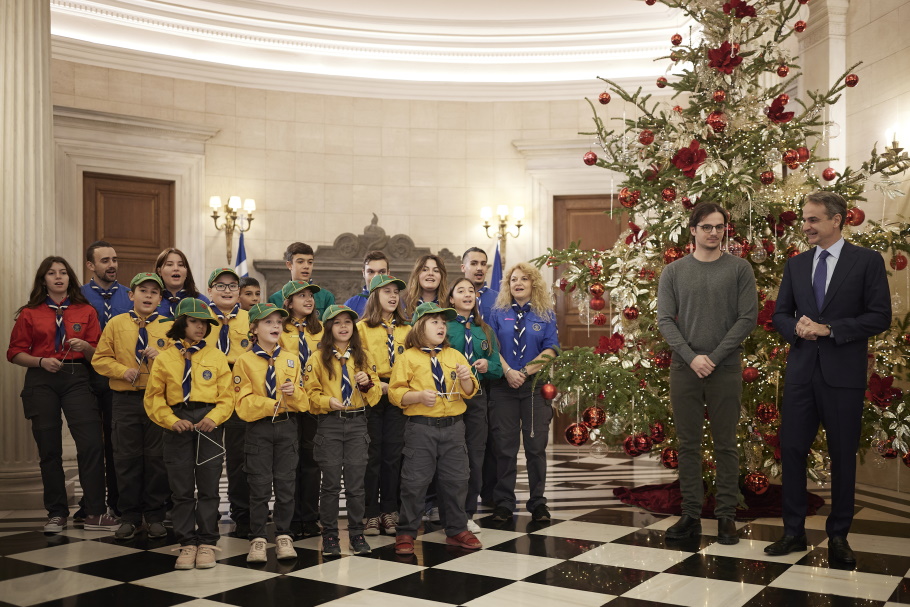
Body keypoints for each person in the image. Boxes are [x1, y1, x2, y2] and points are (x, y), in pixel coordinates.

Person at [768, 191, 891, 564]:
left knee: (841, 455)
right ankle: (793, 533)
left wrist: (829, 329)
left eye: (813, 220)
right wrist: (797, 329)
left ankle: (839, 535)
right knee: (791, 450)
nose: (805, 226)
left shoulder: (866, 261)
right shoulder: (796, 265)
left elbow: (879, 316)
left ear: (837, 220)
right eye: (804, 220)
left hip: (844, 377)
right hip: (802, 374)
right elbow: (780, 315)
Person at [656, 202, 757, 545]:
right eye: (706, 227)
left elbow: (747, 319)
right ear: (693, 230)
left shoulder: (740, 269)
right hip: (684, 369)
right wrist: (691, 357)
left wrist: (711, 358)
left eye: (719, 227)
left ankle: (726, 517)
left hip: (725, 367)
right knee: (688, 445)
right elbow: (665, 320)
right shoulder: (673, 272)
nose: (714, 232)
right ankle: (691, 515)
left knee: (726, 444)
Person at [7, 256, 119, 533]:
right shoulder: (30, 313)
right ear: (43, 280)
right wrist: (40, 361)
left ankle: (95, 512)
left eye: (63, 273)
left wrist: (86, 347)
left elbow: (99, 354)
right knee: (49, 448)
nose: (58, 277)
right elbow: (14, 353)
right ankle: (56, 513)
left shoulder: (85, 310)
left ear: (70, 278)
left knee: (92, 444)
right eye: (51, 273)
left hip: (77, 376)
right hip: (41, 378)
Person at [144, 298, 233, 570]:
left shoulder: (216, 356)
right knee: (181, 489)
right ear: (181, 323)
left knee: (208, 486)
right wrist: (170, 420)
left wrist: (213, 417)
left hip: (208, 422)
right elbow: (153, 398)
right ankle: (187, 542)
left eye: (204, 323)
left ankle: (207, 541)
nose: (200, 327)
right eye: (193, 321)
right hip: (178, 422)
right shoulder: (165, 359)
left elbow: (227, 397)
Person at [389, 302, 482, 555]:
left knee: (456, 480)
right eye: (434, 322)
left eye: (443, 322)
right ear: (420, 326)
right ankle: (407, 532)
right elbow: (395, 393)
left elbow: (470, 391)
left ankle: (457, 529)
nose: (441, 326)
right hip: (421, 429)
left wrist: (465, 378)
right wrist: (417, 396)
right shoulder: (408, 357)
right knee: (414, 482)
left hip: (454, 428)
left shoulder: (454, 355)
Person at [91, 272, 173, 540]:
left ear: (160, 298)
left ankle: (155, 515)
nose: (148, 296)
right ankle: (129, 515)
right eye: (143, 291)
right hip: (125, 401)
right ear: (131, 295)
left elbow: (181, 363)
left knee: (156, 459)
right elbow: (100, 359)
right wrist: (121, 370)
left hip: (157, 400)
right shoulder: (116, 324)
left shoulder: (169, 326)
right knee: (126, 459)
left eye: (154, 292)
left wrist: (161, 357)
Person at [233, 303, 309, 563]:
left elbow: (304, 401)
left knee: (286, 484)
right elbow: (242, 402)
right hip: (259, 428)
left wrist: (294, 394)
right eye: (268, 322)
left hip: (287, 427)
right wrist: (270, 404)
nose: (276, 326)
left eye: (279, 322)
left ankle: (284, 535)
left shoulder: (291, 358)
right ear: (254, 328)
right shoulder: (244, 361)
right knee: (259, 485)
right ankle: (258, 537)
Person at [304, 305, 382, 557]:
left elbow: (376, 393)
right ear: (328, 328)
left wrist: (368, 383)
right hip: (330, 423)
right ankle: (329, 535)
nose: (344, 326)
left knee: (356, 484)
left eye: (348, 322)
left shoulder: (364, 357)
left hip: (358, 422)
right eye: (337, 322)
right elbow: (310, 393)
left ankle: (357, 533)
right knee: (329, 485)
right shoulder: (317, 358)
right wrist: (328, 402)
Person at [487, 262, 559, 523]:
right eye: (513, 279)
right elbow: (492, 349)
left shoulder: (545, 314)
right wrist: (508, 372)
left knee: (535, 448)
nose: (518, 283)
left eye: (524, 279)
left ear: (533, 284)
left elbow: (551, 349)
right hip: (503, 387)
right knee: (504, 449)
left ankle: (538, 503)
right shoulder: (497, 314)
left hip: (534, 389)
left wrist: (525, 371)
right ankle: (504, 502)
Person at [446, 278, 503, 532]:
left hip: (477, 399)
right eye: (461, 291)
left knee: (475, 454)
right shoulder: (443, 327)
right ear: (451, 299)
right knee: (449, 455)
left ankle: (467, 512)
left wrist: (487, 366)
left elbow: (498, 368)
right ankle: (445, 508)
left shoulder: (485, 330)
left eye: (471, 291)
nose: (467, 294)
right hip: (450, 398)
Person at [82, 240, 132, 519]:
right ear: (91, 265)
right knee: (90, 444)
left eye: (114, 259)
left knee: (117, 444)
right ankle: (91, 504)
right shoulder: (78, 297)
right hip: (86, 377)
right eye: (104, 260)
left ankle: (118, 501)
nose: (112, 265)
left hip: (118, 378)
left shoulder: (129, 295)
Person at [357, 274, 411, 536]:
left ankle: (390, 510)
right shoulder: (362, 328)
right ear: (374, 295)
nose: (393, 296)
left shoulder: (407, 329)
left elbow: (413, 363)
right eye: (386, 291)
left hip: (398, 396)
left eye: (396, 292)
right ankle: (370, 512)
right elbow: (359, 364)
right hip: (372, 395)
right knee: (372, 455)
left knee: (393, 454)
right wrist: (380, 386)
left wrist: (397, 388)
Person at [205, 267, 252, 538]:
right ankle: (208, 515)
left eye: (232, 286)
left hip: (239, 393)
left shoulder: (250, 318)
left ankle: (242, 514)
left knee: (239, 458)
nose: (226, 290)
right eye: (220, 286)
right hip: (207, 393)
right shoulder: (200, 319)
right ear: (209, 290)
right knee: (209, 460)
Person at [278, 279, 325, 539]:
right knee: (289, 462)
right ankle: (291, 518)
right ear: (288, 302)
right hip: (289, 403)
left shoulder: (319, 331)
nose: (308, 300)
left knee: (311, 461)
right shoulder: (281, 330)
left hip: (314, 402)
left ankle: (310, 515)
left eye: (311, 295)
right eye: (301, 296)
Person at [267, 242, 335, 317]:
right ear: (289, 265)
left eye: (310, 262)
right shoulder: (276, 299)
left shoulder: (326, 297)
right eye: (300, 262)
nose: (306, 266)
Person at [154, 248, 200, 318]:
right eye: (169, 264)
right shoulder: (150, 301)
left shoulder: (200, 300)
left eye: (181, 265)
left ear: (187, 271)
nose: (176, 268)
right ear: (159, 271)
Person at [344, 251, 389, 317]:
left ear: (388, 273)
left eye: (382, 272)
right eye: (371, 272)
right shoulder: (350, 305)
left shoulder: (400, 305)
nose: (376, 277)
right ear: (363, 273)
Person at [403, 254, 448, 319]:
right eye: (425, 270)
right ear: (417, 274)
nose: (430, 273)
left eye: (436, 271)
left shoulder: (450, 303)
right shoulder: (402, 303)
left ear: (442, 277)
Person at [461, 247, 498, 321]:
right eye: (474, 263)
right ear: (463, 268)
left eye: (483, 264)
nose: (479, 268)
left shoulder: (499, 299)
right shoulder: (453, 297)